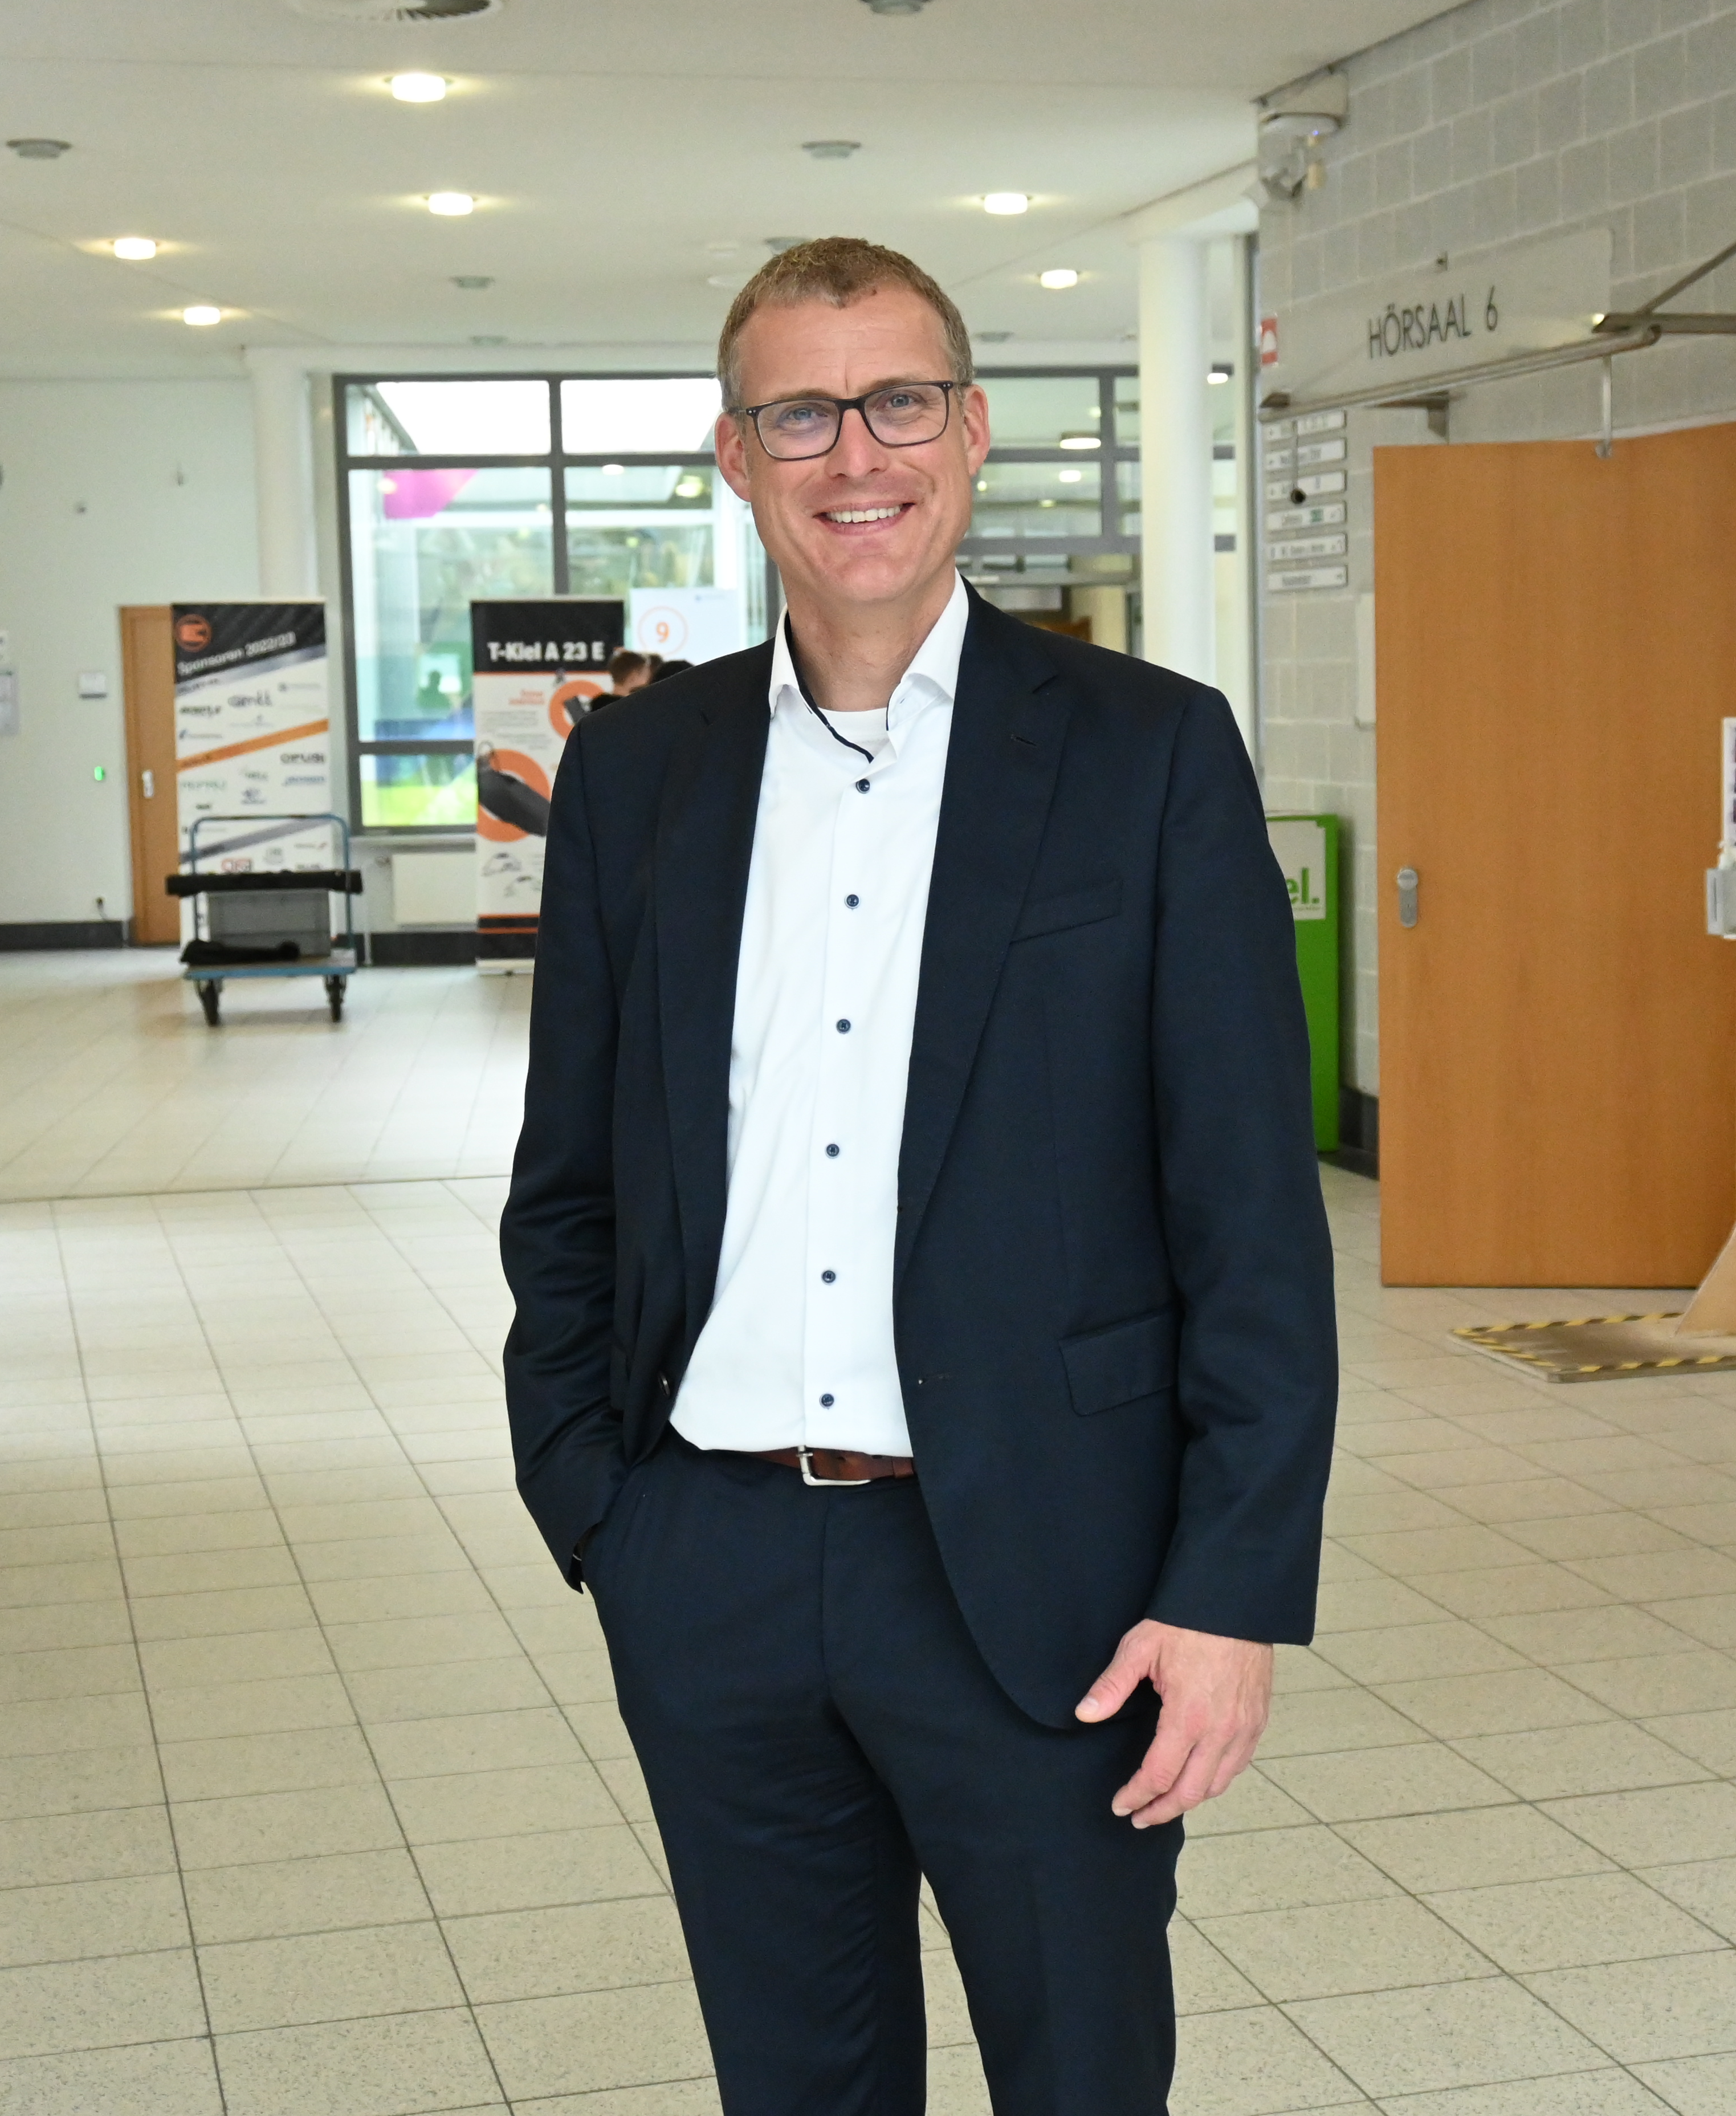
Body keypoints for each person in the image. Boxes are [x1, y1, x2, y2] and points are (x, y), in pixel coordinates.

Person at [500, 238, 1334, 2112]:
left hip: (1047, 1566)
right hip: (705, 1551)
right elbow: (568, 1176)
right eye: (798, 409)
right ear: (734, 452)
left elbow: (1248, 1224)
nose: (848, 451)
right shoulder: (639, 773)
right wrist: (597, 1507)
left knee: (1078, 2068)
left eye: (894, 401)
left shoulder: (1146, 757)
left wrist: (1228, 1591)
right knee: (793, 2082)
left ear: (966, 433)